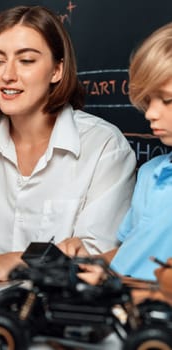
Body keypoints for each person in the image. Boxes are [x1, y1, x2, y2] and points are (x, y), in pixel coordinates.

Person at [0, 5, 137, 282]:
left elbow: (96, 252)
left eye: (26, 61)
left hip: (63, 308)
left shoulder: (104, 146)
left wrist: (13, 262)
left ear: (56, 70)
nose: (7, 75)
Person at [60, 22, 172, 283]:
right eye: (148, 101)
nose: (151, 113)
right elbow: (129, 253)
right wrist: (91, 262)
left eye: (167, 100)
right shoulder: (150, 173)